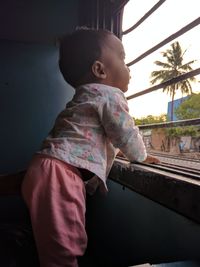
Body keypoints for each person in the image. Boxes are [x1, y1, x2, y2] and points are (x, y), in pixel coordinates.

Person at [21, 28, 160, 267]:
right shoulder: (109, 95)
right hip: (60, 174)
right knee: (64, 249)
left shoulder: (83, 98)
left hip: (43, 167)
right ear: (100, 70)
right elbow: (124, 131)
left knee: (51, 243)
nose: (129, 68)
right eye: (123, 58)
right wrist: (140, 156)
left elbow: (99, 139)